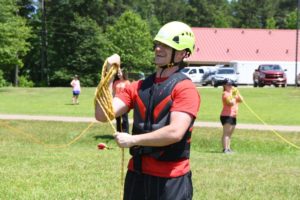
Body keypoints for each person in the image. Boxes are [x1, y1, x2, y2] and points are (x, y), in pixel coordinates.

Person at [95, 21, 200, 200]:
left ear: (182, 53)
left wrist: (133, 140)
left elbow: (175, 132)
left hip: (171, 179)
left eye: (166, 46)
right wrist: (108, 76)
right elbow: (102, 115)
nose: (158, 49)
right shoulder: (139, 87)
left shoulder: (185, 89)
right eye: (158, 44)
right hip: (137, 174)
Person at [220, 79, 243, 154]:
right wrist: (233, 95)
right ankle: (225, 149)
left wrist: (237, 93)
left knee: (230, 133)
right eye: (228, 85)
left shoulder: (233, 93)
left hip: (233, 115)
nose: (230, 86)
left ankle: (228, 148)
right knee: (226, 133)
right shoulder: (225, 94)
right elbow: (231, 103)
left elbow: (241, 100)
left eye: (231, 84)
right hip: (226, 115)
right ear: (224, 86)